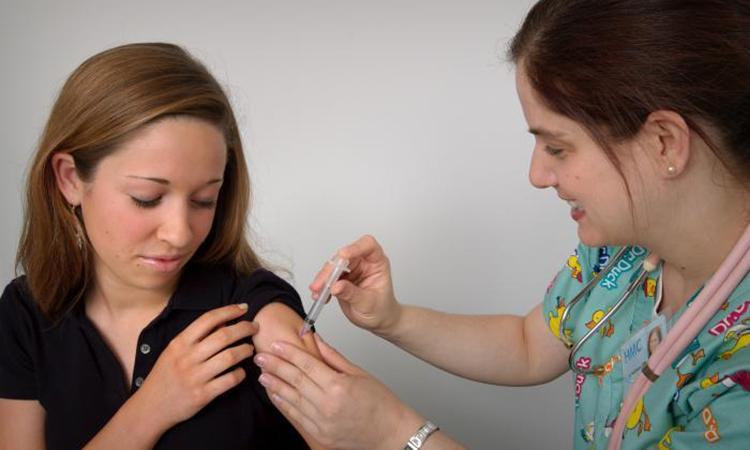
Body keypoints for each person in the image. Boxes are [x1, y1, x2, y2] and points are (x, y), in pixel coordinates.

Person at [253, 1, 750, 449]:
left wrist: (392, 433)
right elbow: (530, 345)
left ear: (663, 142)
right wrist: (392, 318)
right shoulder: (619, 256)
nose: (537, 176)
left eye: (557, 147)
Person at [0, 43, 326, 450]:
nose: (180, 234)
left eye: (204, 200)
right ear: (69, 179)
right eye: (147, 198)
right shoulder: (25, 313)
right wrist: (151, 409)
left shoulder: (254, 308)